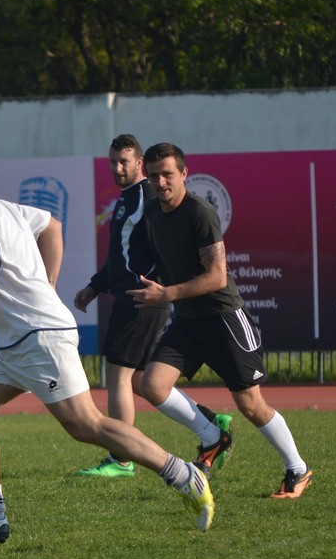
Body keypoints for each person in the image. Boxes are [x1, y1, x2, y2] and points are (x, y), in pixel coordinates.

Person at [0, 138, 214, 546]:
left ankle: (184, 474)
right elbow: (52, 226)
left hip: (37, 338)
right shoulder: (0, 206)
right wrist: (48, 285)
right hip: (14, 340)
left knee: (86, 425)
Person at [132, 143, 313, 499]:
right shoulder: (151, 212)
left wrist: (166, 294)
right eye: (153, 176)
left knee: (250, 404)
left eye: (167, 174)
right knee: (151, 385)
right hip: (188, 321)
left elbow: (216, 277)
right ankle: (213, 436)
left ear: (184, 174)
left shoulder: (200, 212)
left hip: (223, 319)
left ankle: (298, 469)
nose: (160, 182)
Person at [74, 134, 233, 479]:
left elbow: (165, 249)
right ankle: (209, 421)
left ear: (140, 164)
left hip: (141, 298)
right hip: (132, 296)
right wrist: (95, 286)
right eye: (113, 161)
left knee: (117, 374)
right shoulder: (127, 199)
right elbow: (121, 255)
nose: (117, 168)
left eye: (124, 162)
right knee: (139, 381)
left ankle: (121, 458)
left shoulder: (146, 198)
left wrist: (162, 288)